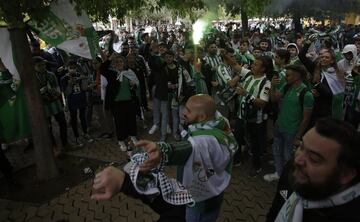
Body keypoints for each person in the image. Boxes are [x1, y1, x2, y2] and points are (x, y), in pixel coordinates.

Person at [92, 94, 238, 222]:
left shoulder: (207, 141)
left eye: (188, 110)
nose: (183, 112)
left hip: (200, 203)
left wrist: (163, 150)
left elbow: (189, 148)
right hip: (212, 195)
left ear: (201, 117)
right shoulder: (219, 122)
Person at [266, 118, 360, 222]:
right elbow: (274, 211)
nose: (298, 160)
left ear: (345, 175)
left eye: (313, 159)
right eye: (301, 147)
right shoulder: (294, 171)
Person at [264, 65, 314, 182]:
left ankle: (290, 177)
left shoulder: (306, 94)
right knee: (277, 151)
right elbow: (274, 99)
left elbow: (306, 118)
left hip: (292, 131)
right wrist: (273, 86)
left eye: (288, 75)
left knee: (289, 156)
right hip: (279, 126)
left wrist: (298, 135)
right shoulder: (287, 87)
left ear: (297, 76)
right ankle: (278, 173)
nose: (285, 77)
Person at [100, 53, 140, 151]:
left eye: (121, 61)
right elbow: (102, 69)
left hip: (129, 101)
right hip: (117, 103)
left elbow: (136, 86)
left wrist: (133, 85)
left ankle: (133, 136)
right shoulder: (112, 73)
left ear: (124, 62)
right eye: (116, 62)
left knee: (131, 120)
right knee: (119, 123)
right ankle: (121, 141)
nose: (119, 63)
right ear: (114, 63)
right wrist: (109, 59)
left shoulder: (129, 72)